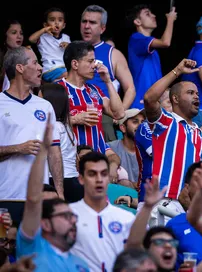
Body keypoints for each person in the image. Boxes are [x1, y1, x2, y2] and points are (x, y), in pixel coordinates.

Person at [16, 114, 89, 271]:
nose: (73, 222)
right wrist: (43, 152)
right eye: (65, 216)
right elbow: (33, 199)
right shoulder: (32, 248)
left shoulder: (81, 265)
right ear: (46, 223)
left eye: (72, 216)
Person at [143, 59, 202, 226]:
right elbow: (149, 99)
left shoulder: (201, 135)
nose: (196, 96)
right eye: (190, 92)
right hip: (163, 203)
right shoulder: (166, 122)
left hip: (189, 207)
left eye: (197, 94)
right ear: (175, 98)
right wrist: (177, 70)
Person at [0, 46, 64, 224]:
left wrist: (59, 194)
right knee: (6, 250)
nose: (40, 68)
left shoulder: (45, 106)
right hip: (6, 197)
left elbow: (54, 153)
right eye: (35, 62)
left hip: (40, 199)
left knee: (36, 251)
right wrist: (18, 148)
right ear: (20, 67)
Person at [56, 40, 124, 184]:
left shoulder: (94, 91)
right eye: (90, 61)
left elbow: (119, 114)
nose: (95, 65)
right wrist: (74, 119)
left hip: (98, 163)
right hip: (70, 166)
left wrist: (107, 81)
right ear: (75, 64)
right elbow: (44, 123)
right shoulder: (57, 89)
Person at [69, 151, 135, 272]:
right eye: (92, 174)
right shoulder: (68, 216)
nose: (99, 179)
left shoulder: (127, 218)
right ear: (81, 179)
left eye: (104, 174)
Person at [80, 5, 136, 141]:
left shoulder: (113, 54)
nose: (87, 26)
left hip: (103, 114)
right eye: (84, 21)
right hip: (75, 112)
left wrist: (118, 114)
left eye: (92, 22)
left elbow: (130, 88)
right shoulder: (70, 49)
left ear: (102, 28)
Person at [126, 3, 177, 109]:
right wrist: (170, 19)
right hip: (140, 105)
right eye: (147, 14)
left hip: (153, 105)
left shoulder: (154, 52)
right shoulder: (136, 38)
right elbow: (165, 42)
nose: (154, 16)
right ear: (137, 21)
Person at [29, 7, 70, 82]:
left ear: (63, 25)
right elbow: (31, 39)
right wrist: (44, 30)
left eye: (60, 20)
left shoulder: (66, 38)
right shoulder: (42, 37)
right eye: (52, 20)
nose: (56, 23)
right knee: (71, 76)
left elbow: (74, 53)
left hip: (64, 69)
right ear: (45, 24)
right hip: (50, 69)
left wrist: (69, 46)